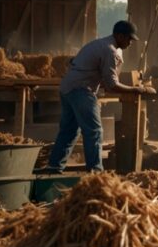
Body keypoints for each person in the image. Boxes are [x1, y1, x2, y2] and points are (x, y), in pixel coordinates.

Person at [46, 20, 151, 173]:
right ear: (119, 36)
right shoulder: (110, 50)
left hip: (67, 87)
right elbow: (111, 85)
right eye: (129, 39)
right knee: (94, 131)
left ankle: (54, 167)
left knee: (69, 131)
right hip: (81, 89)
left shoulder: (100, 44)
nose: (130, 43)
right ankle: (95, 171)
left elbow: (77, 64)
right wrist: (136, 90)